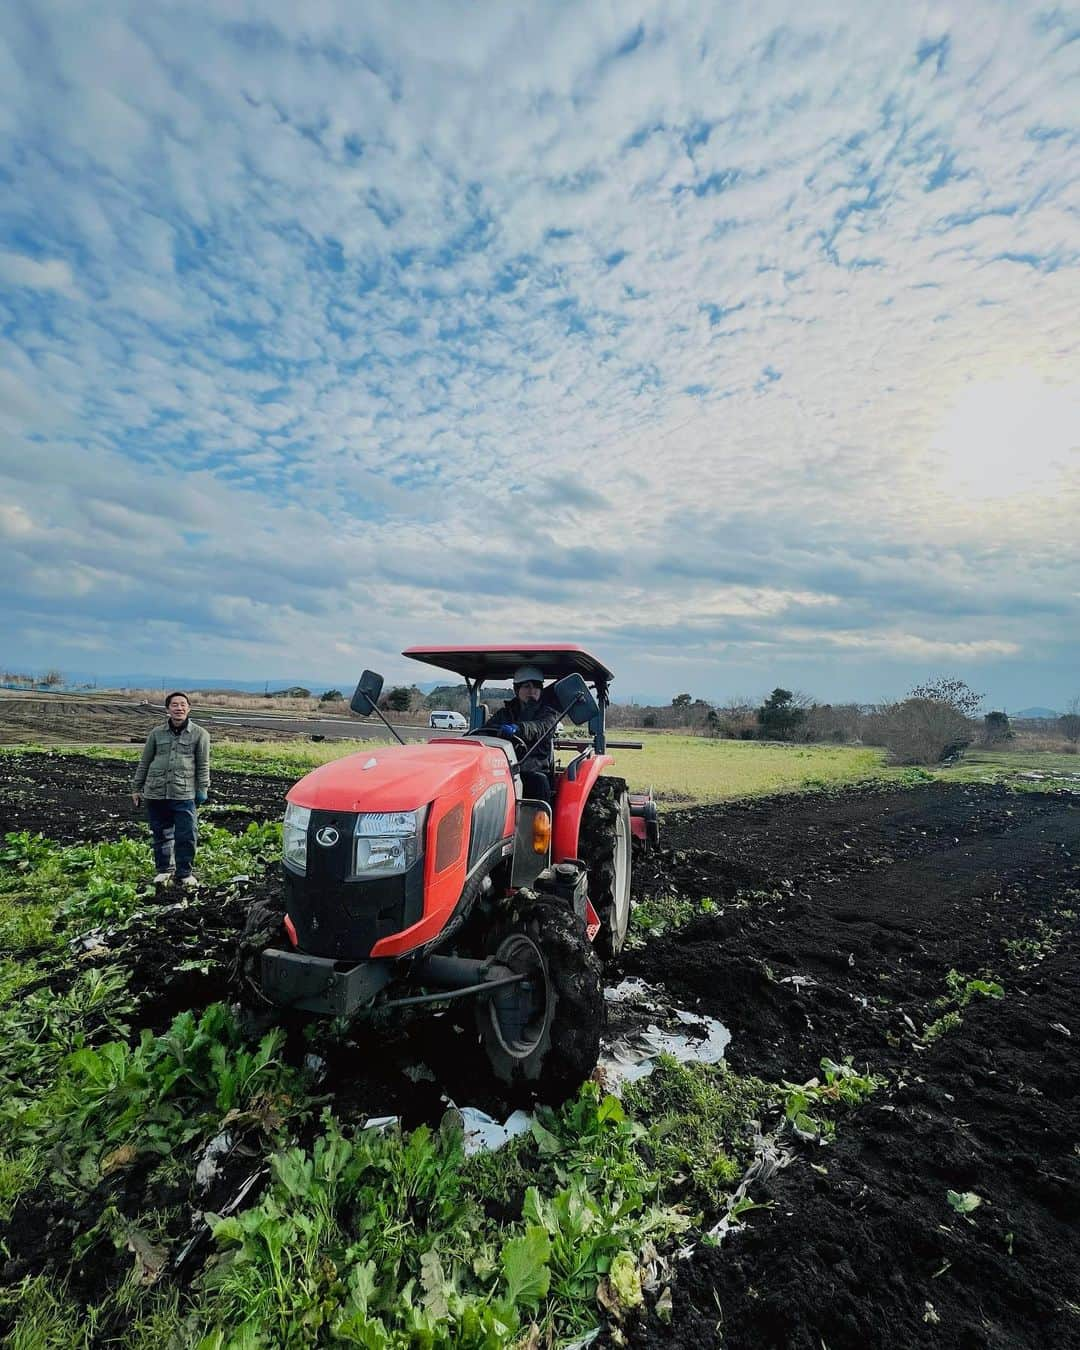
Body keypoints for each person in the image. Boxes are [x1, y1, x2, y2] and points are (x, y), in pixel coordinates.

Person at [131, 691, 211, 887]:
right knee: (161, 832)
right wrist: (136, 787)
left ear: (189, 708)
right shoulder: (156, 734)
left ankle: (184, 873)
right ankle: (164, 870)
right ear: (168, 710)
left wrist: (203, 789)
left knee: (187, 834)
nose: (179, 708)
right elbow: (145, 761)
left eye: (183, 704)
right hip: (156, 791)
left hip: (183, 792)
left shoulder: (200, 734)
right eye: (174, 705)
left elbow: (203, 765)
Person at [480, 664, 561, 803]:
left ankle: (538, 819)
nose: (532, 691)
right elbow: (486, 730)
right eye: (527, 686)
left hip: (535, 768)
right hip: (504, 765)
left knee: (538, 781)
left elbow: (541, 728)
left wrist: (518, 728)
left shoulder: (548, 713)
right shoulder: (505, 713)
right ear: (516, 689)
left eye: (536, 686)